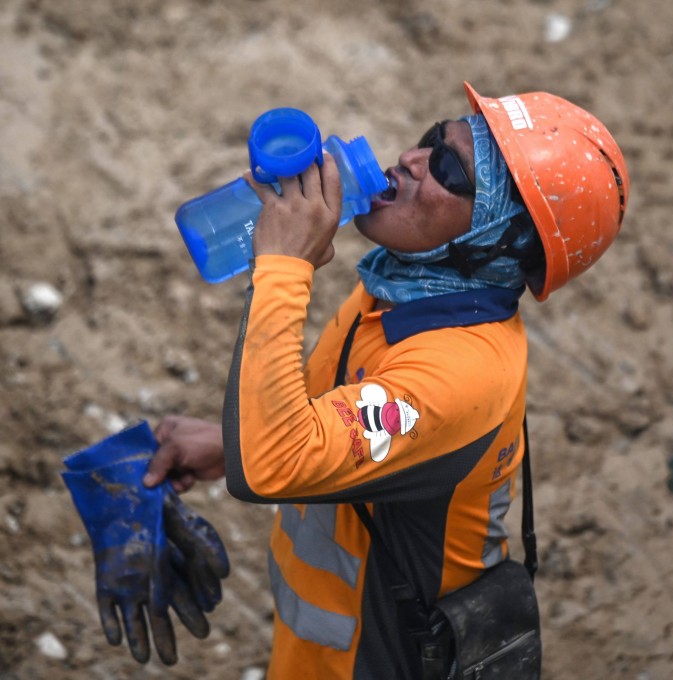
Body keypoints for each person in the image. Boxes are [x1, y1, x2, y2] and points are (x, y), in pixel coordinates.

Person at [144, 81, 630, 679]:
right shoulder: (402, 285)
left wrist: (284, 269)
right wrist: (228, 442)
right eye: (434, 138)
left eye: (448, 168)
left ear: (498, 242)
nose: (412, 159)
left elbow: (273, 463)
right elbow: (345, 420)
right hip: (316, 656)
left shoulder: (459, 373)